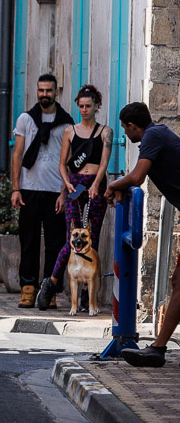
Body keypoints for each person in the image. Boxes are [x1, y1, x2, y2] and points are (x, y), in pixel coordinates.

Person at [104, 102, 180, 367]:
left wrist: (114, 184)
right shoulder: (156, 134)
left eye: (125, 129)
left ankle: (158, 349)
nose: (126, 135)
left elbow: (136, 178)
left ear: (132, 126)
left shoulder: (152, 136)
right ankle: (158, 349)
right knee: (178, 282)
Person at [36, 85, 112, 309]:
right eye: (81, 106)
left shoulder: (105, 132)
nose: (85, 110)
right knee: (72, 239)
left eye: (88, 106)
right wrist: (66, 185)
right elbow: (62, 164)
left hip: (95, 186)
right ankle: (50, 284)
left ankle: (86, 296)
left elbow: (104, 163)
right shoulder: (70, 131)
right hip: (74, 187)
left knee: (91, 239)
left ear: (96, 106)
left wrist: (96, 184)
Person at [11, 74, 74, 308]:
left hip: (54, 191)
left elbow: (68, 161)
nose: (44, 95)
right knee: (28, 241)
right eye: (41, 90)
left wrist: (63, 192)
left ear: (56, 92)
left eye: (48, 90)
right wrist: (15, 188)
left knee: (55, 244)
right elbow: (17, 155)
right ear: (36, 92)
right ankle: (27, 288)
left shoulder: (67, 123)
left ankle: (49, 291)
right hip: (28, 189)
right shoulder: (25, 119)